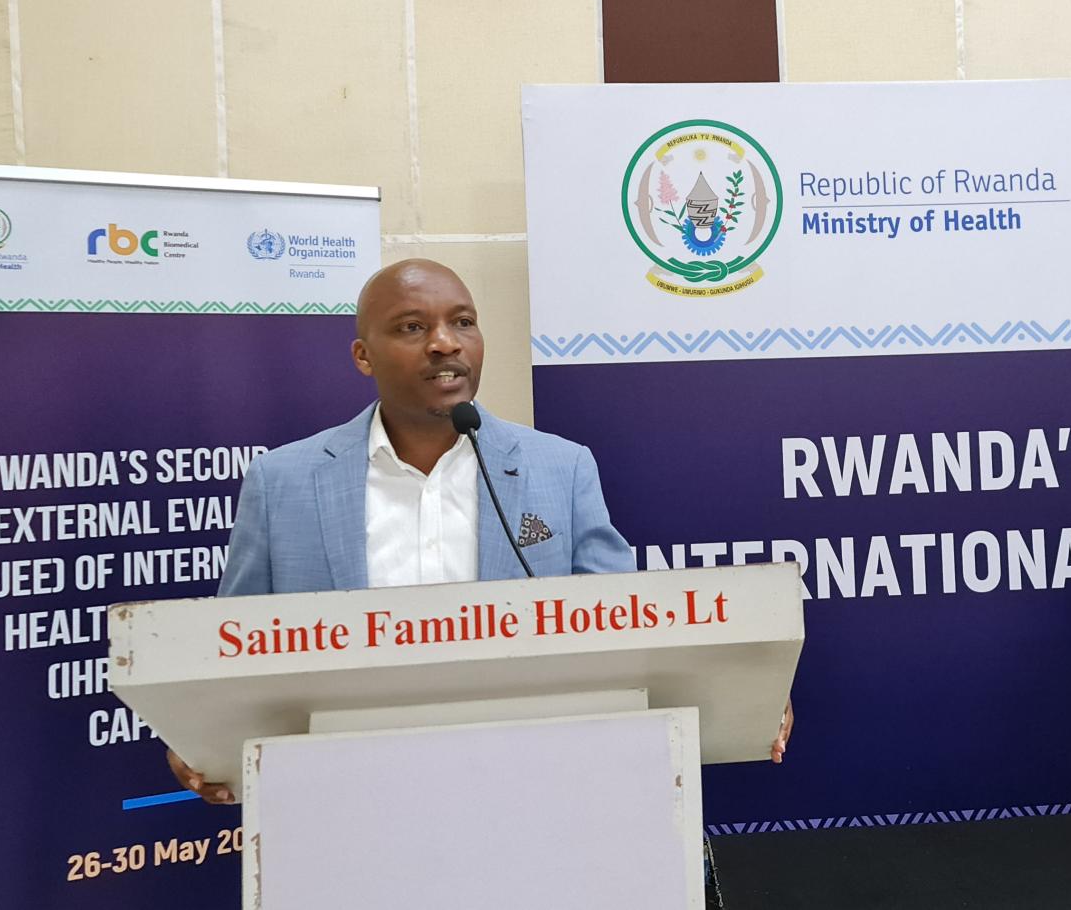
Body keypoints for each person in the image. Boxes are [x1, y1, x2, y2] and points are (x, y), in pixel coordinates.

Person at [166, 259, 791, 804]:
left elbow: (630, 625)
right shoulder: (283, 481)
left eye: (462, 322)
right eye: (412, 327)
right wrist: (206, 740)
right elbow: (235, 643)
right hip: (347, 791)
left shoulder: (560, 467)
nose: (446, 343)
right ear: (363, 356)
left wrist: (740, 693)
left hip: (535, 785)